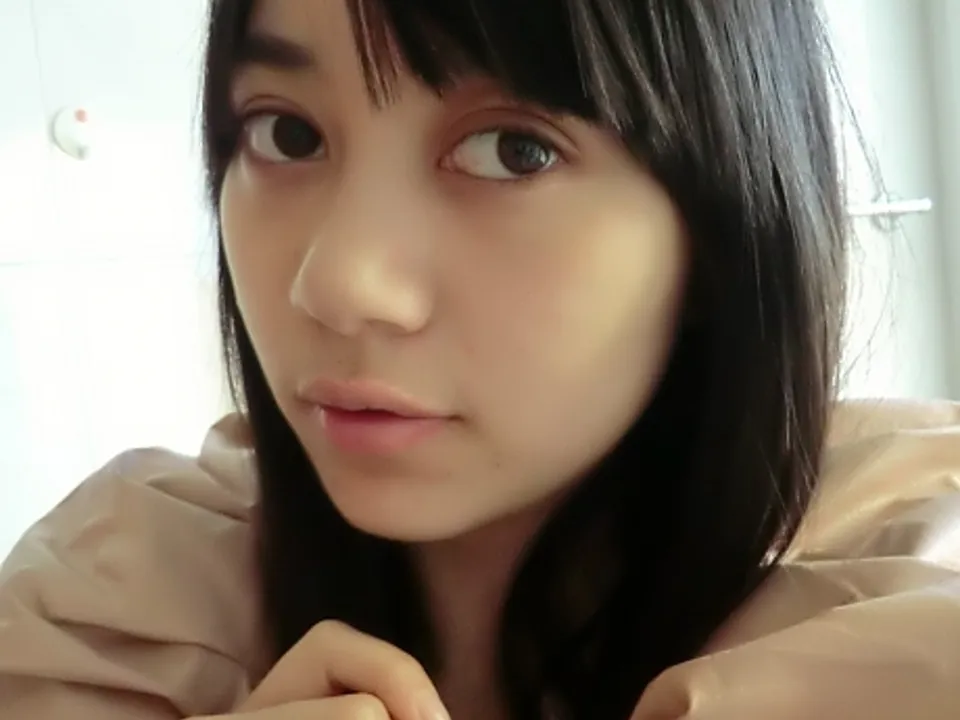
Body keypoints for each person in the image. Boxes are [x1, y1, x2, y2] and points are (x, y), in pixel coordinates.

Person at [1, 0, 959, 718]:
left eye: (512, 151)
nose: (335, 282)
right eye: (286, 133)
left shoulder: (900, 610)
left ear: (724, 227)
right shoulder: (117, 605)